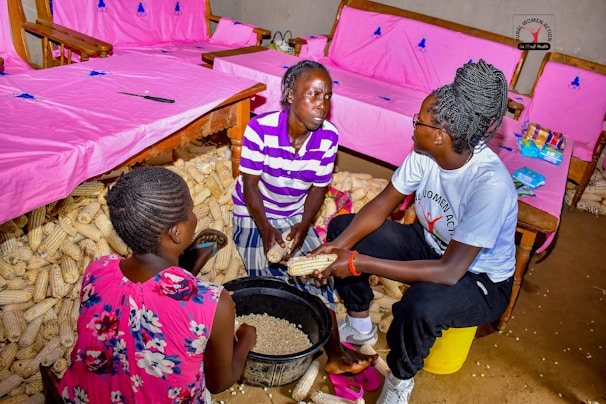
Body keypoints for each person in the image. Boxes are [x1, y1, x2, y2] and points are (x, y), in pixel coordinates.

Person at [310, 60, 518, 403]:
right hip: (429, 245)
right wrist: (336, 246)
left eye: (417, 121)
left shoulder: (489, 185)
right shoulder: (426, 152)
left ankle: (400, 380)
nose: (412, 126)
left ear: (440, 135)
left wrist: (355, 262)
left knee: (418, 305)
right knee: (344, 225)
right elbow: (382, 204)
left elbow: (449, 271)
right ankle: (360, 323)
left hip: (479, 280)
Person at [57, 166, 257, 403]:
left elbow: (135, 312)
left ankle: (185, 266)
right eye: (191, 211)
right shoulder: (214, 302)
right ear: (177, 232)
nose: (195, 216)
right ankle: (186, 265)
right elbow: (218, 382)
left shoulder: (98, 269)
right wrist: (245, 338)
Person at [231, 59, 376, 374]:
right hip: (255, 213)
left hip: (296, 214)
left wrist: (302, 225)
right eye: (313, 95)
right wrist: (266, 228)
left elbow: (318, 190)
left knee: (318, 276)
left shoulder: (328, 138)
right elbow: (250, 186)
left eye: (326, 97)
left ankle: (335, 352)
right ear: (289, 94)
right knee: (271, 277)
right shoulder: (260, 130)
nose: (322, 105)